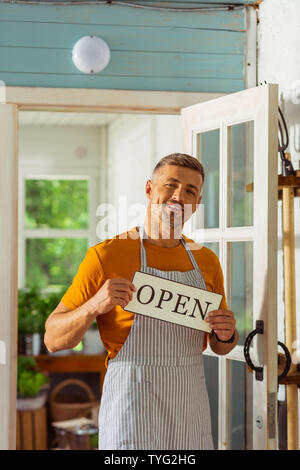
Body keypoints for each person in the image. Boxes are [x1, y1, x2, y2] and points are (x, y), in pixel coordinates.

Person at [44, 153, 238, 450]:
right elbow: (53, 339)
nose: (178, 196)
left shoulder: (207, 261)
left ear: (197, 204)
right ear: (149, 189)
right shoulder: (106, 255)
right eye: (170, 185)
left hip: (190, 405)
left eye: (190, 191)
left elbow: (219, 345)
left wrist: (227, 334)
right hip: (132, 406)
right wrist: (95, 305)